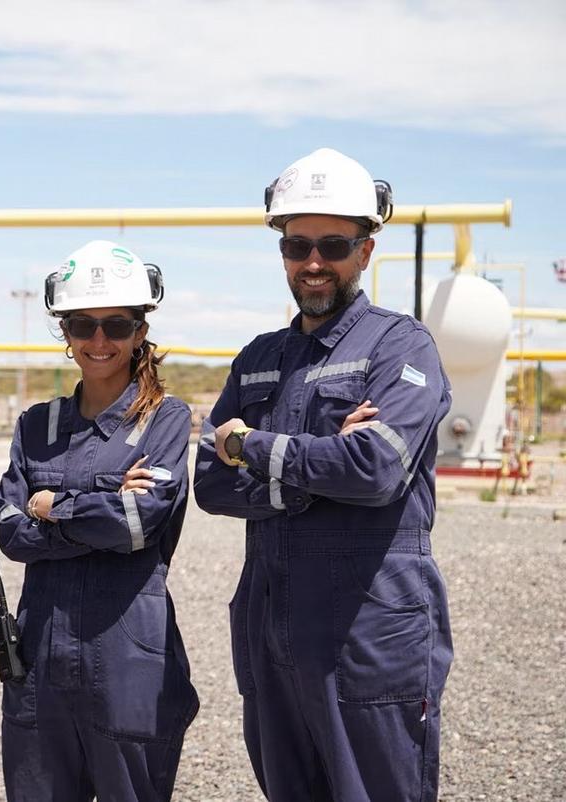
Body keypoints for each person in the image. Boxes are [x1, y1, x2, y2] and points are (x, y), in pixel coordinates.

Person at [193, 148, 454, 801]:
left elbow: (374, 469)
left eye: (333, 244)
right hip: (272, 622)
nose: (313, 262)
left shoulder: (400, 346)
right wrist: (313, 462)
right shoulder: (258, 359)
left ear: (365, 251)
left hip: (366, 626)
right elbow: (210, 482)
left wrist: (249, 443)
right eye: (297, 244)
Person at [0, 240, 199, 801]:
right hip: (39, 661)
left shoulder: (166, 418)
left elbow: (138, 523)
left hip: (127, 661)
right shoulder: (36, 424)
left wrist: (53, 505)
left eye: (117, 324)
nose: (100, 340)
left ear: (140, 330)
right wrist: (104, 503)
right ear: (64, 330)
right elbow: (12, 531)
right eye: (83, 324)